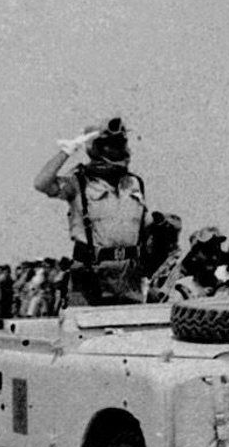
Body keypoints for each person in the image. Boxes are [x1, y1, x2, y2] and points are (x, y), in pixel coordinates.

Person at [33, 116, 149, 306]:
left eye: (120, 143)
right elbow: (41, 183)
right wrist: (67, 150)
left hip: (128, 274)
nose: (117, 149)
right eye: (109, 144)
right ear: (97, 149)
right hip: (91, 272)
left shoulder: (134, 183)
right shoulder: (79, 182)